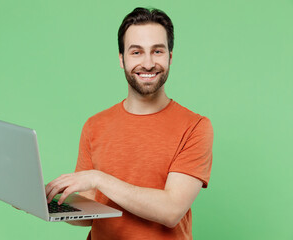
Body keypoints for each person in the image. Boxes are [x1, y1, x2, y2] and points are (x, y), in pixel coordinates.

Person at [45, 7, 213, 240]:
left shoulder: (195, 127)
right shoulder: (94, 126)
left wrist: (98, 178)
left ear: (170, 57)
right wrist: (46, 206)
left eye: (157, 51)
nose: (147, 63)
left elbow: (171, 210)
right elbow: (90, 215)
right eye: (136, 52)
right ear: (121, 59)